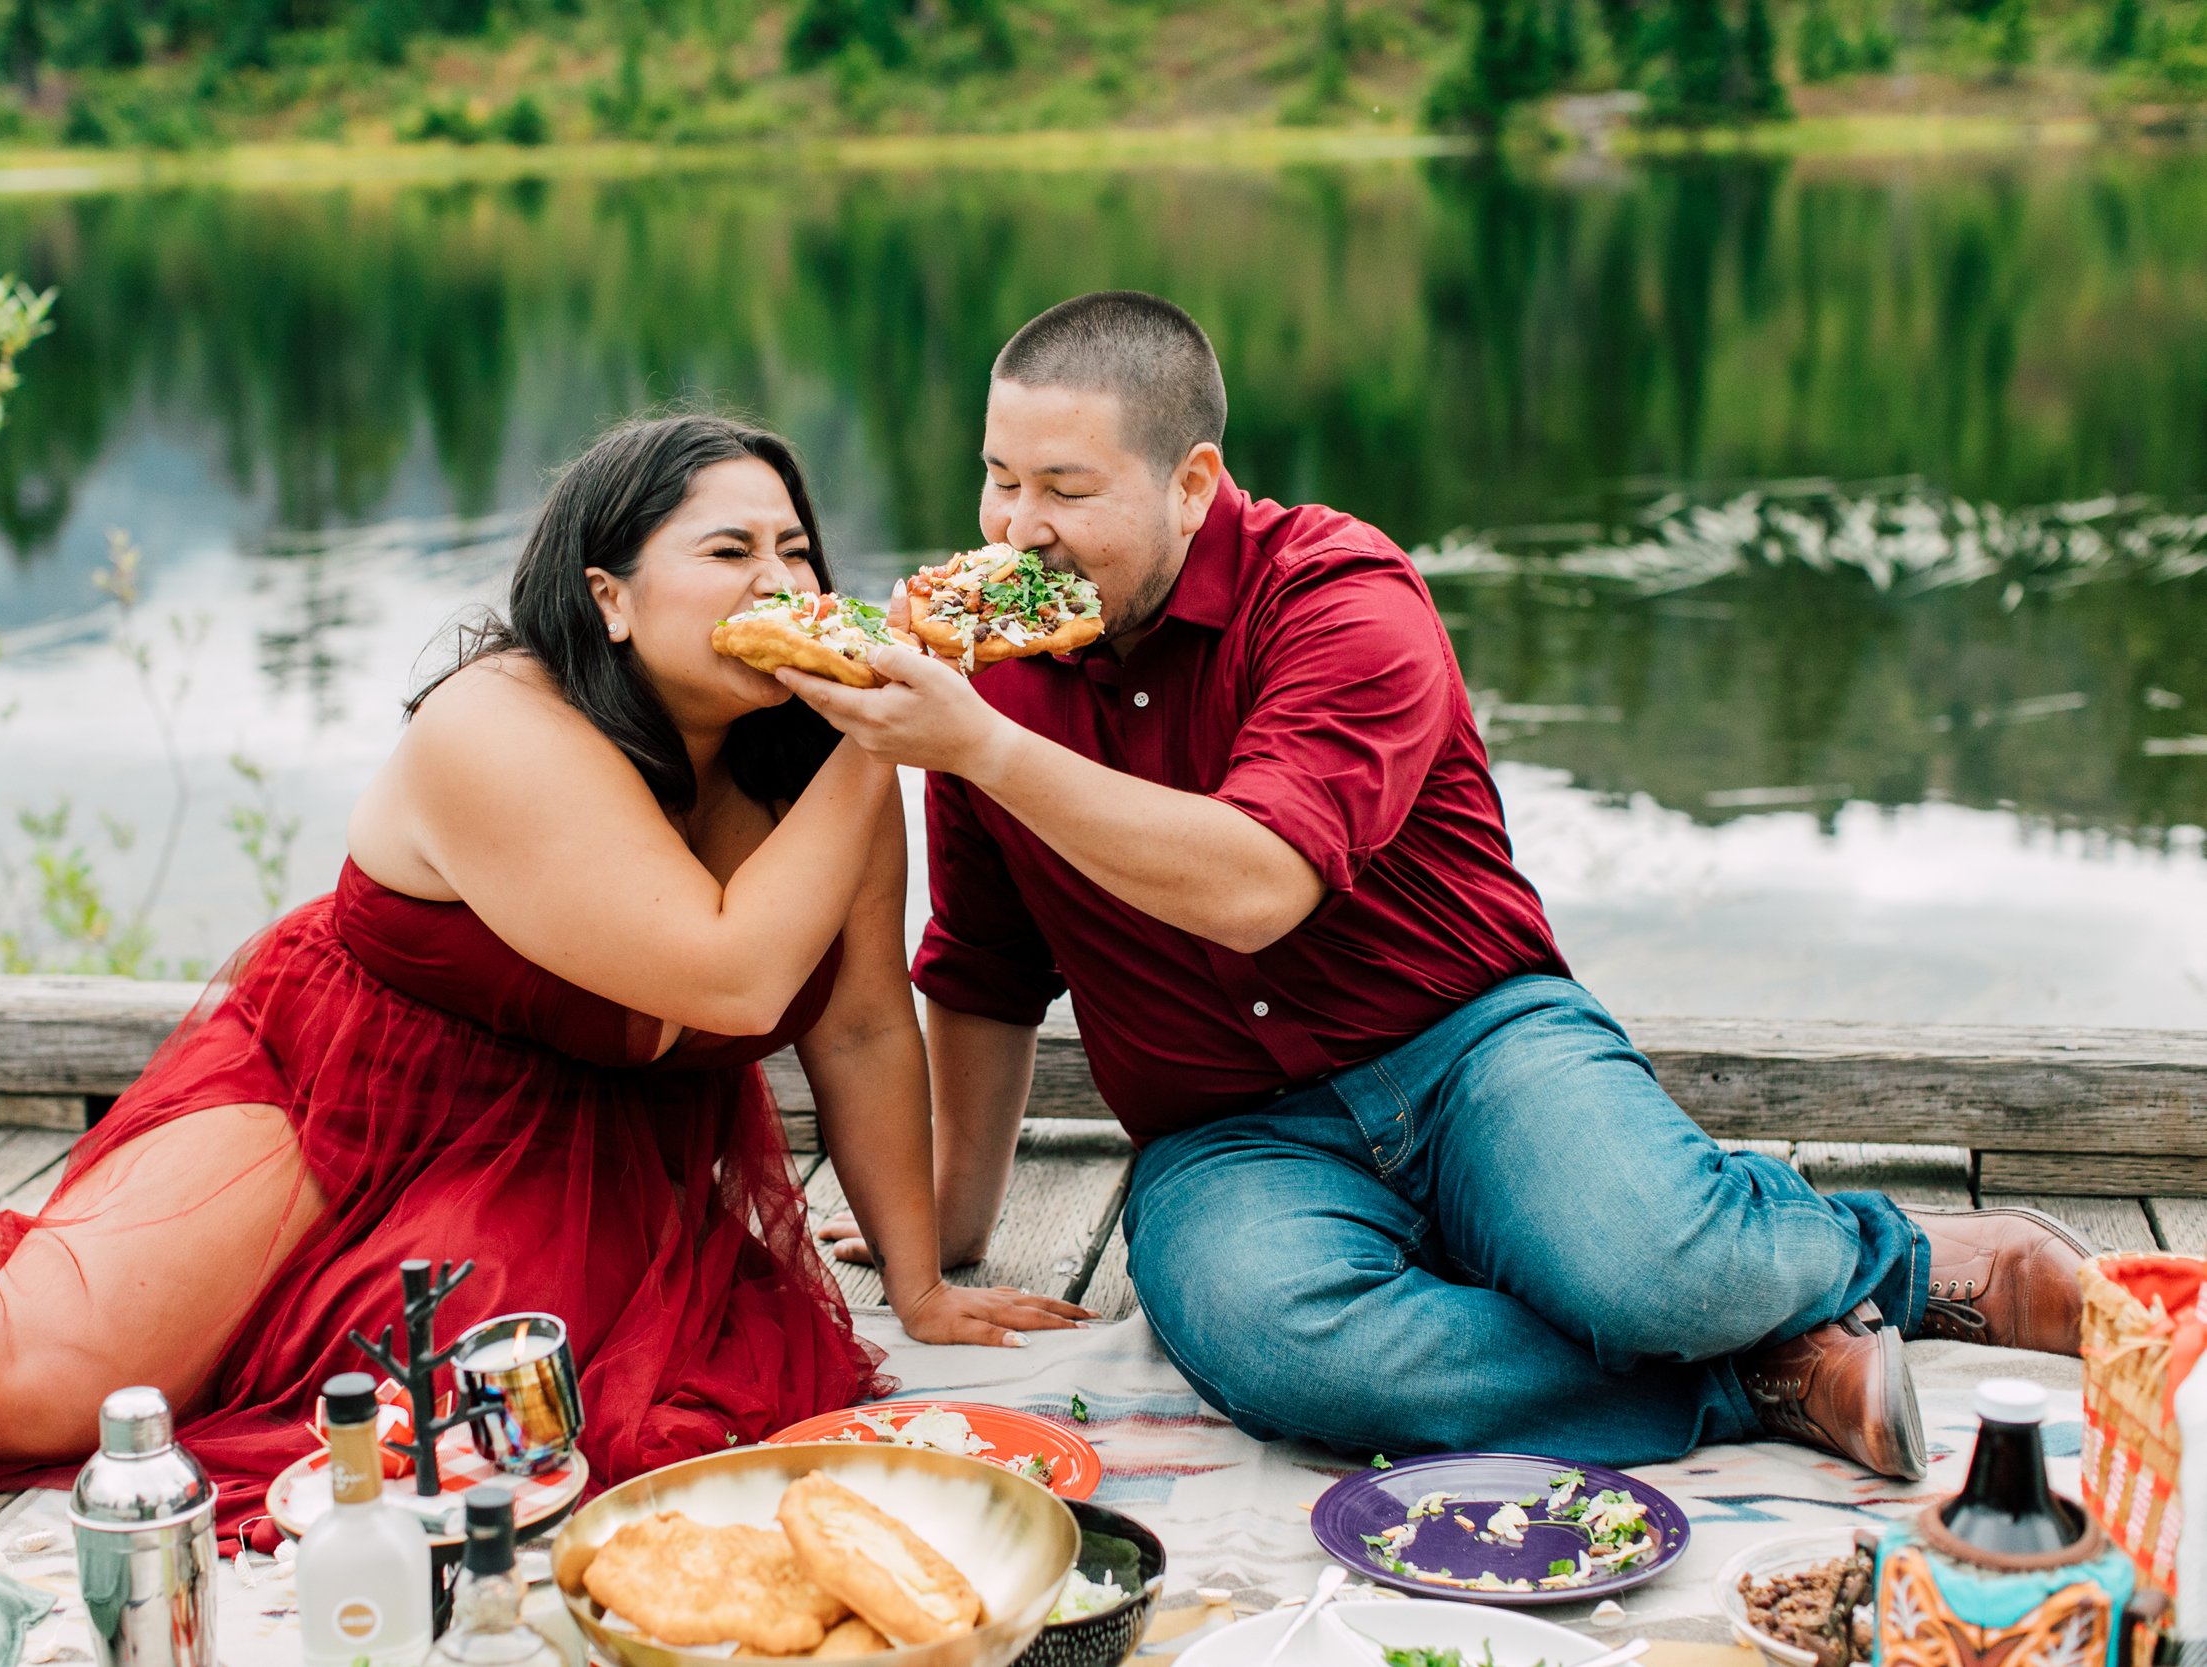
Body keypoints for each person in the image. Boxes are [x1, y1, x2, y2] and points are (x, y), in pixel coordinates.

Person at [786, 292, 2089, 1480]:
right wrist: (950, 1236)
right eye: (998, 481)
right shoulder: (984, 679)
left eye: (1063, 489)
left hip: (1472, 1051)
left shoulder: (1339, 595)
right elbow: (985, 972)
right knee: (1285, 1353)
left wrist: (981, 746)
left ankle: (1929, 1261)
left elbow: (1257, 885)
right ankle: (1766, 1372)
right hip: (1226, 1135)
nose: (1017, 530)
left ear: (1192, 484)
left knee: (1650, 1264)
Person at [0, 414, 1087, 1535]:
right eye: (729, 550)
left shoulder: (808, 756)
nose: (781, 581)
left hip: (584, 1151)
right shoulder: (500, 726)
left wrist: (917, 1288)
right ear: (608, 596)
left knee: (540, 1460)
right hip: (351, 1088)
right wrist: (886, 729)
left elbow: (856, 1030)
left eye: (797, 550)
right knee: (34, 1389)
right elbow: (733, 985)